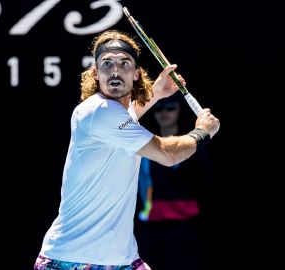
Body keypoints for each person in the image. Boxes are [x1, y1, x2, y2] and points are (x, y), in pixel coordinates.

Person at [34, 29, 220, 270]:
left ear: (136, 75)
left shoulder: (115, 118)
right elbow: (167, 154)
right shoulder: (98, 112)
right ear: (96, 74)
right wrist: (202, 132)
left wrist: (157, 93)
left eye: (124, 64)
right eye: (107, 64)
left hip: (121, 261)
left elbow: (128, 115)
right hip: (71, 260)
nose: (115, 70)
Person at [136, 93, 214, 270]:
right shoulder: (142, 147)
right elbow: (141, 189)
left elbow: (206, 186)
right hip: (152, 231)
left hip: (188, 231)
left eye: (170, 107)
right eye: (159, 108)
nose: (164, 112)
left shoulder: (197, 148)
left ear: (179, 110)